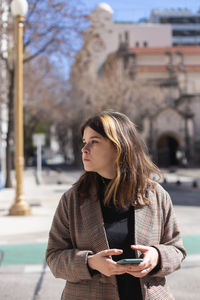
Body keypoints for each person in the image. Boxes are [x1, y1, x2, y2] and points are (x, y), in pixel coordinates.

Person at [46, 111, 186, 300]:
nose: (84, 148)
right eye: (84, 141)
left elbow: (177, 250)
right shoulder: (72, 200)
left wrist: (156, 256)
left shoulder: (155, 195)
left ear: (119, 147)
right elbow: (54, 257)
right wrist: (91, 263)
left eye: (94, 141)